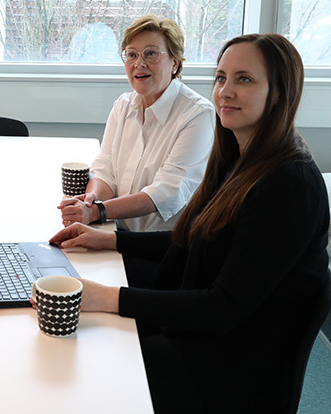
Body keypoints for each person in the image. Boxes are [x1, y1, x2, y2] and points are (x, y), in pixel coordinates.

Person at [48, 33, 329, 413]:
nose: (225, 91)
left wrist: (107, 297)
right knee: (73, 346)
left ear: (279, 94)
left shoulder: (289, 184)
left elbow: (222, 307)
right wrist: (110, 241)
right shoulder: (236, 158)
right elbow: (197, 237)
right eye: (221, 77)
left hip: (229, 367)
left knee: (84, 368)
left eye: (244, 79)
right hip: (198, 333)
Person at [59, 14, 214, 233]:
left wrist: (98, 211)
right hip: (116, 230)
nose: (139, 63)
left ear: (175, 63)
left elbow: (167, 191)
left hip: (161, 244)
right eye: (132, 55)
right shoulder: (123, 105)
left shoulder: (198, 114)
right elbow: (105, 169)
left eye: (151, 54)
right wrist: (90, 199)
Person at [65, 0, 119, 64]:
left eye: (83, 8)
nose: (81, 12)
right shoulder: (107, 32)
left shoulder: (85, 32)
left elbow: (73, 59)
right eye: (80, 8)